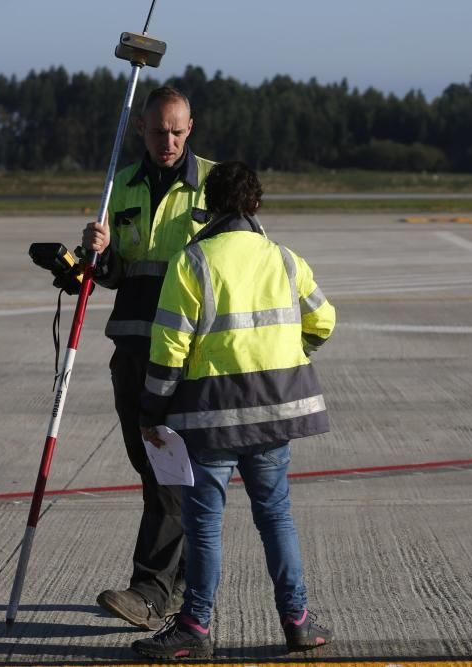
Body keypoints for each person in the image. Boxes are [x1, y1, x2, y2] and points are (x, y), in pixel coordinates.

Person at [131, 161, 336, 659]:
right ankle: (298, 621)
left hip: (210, 419)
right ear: (256, 204)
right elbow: (324, 320)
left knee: (204, 525)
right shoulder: (285, 259)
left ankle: (195, 628)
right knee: (276, 518)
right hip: (273, 415)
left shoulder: (194, 261)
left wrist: (152, 408)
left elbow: (170, 346)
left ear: (210, 208)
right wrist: (293, 348)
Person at [82, 86, 215, 631]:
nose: (169, 141)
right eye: (159, 130)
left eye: (178, 131)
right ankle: (183, 577)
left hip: (183, 357)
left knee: (166, 477)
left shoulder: (214, 183)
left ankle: (151, 590)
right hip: (132, 349)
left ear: (191, 128)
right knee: (152, 470)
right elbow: (115, 275)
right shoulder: (122, 186)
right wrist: (98, 254)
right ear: (142, 128)